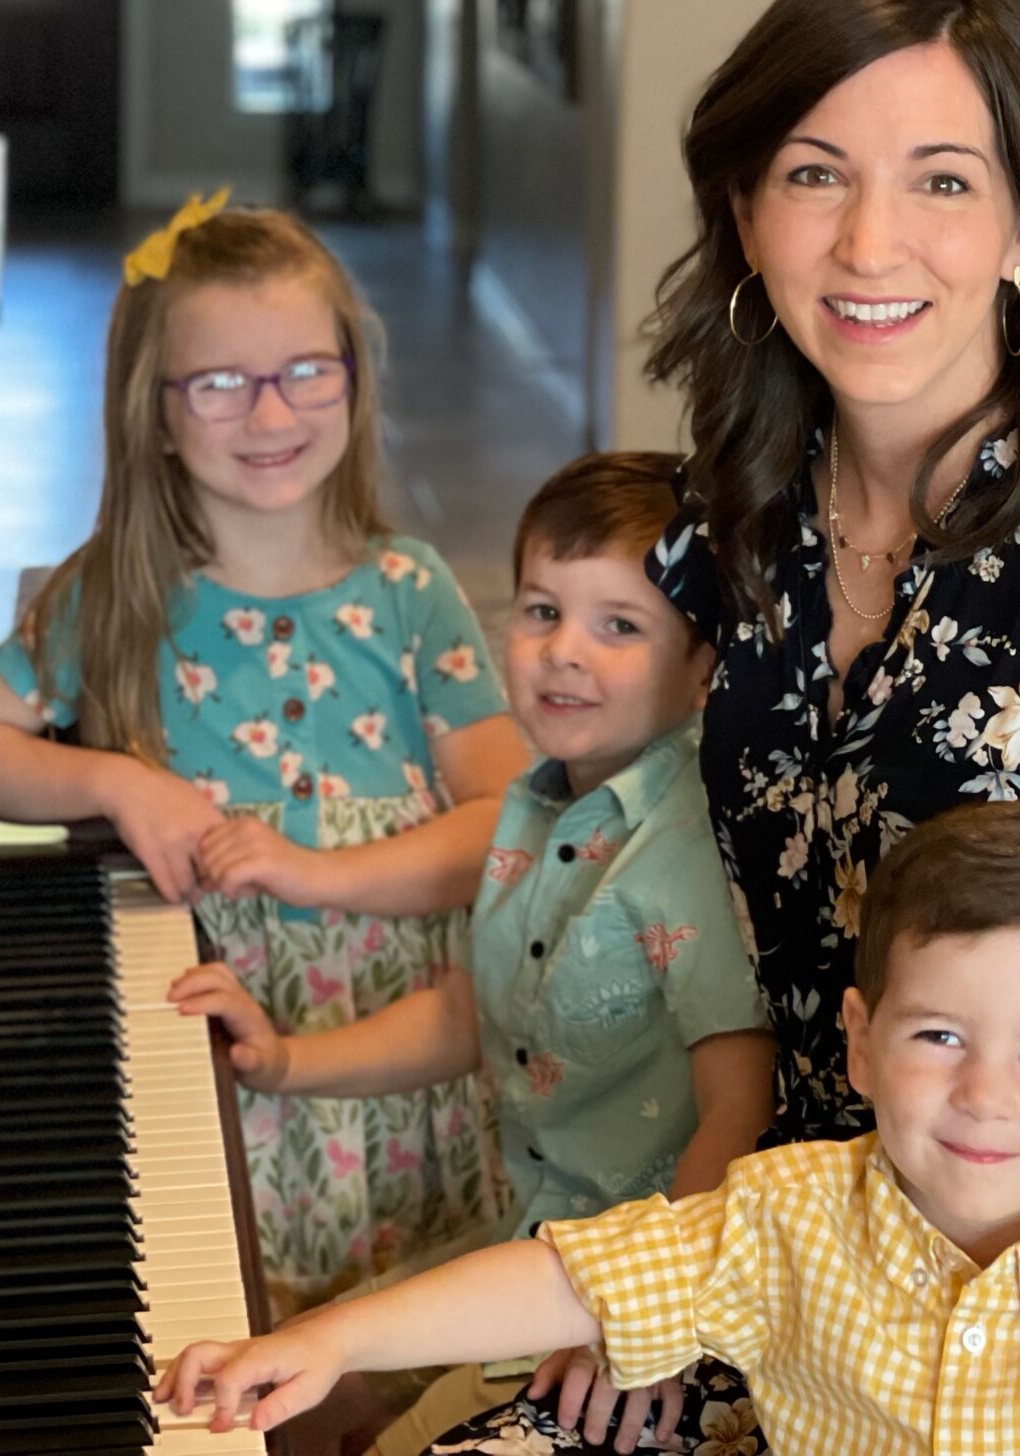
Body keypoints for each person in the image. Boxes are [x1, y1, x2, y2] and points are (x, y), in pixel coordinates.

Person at [432, 0, 1020, 1449]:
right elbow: (608, 795)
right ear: (744, 214)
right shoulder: (736, 523)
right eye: (814, 174)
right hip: (766, 1265)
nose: (869, 243)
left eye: (943, 182)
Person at [157, 804, 1020, 1456]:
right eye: (939, 1036)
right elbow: (572, 1282)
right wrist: (329, 1342)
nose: (986, 1094)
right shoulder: (787, 1217)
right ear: (856, 1040)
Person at [0, 196, 528, 1312]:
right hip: (220, 1066)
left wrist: (318, 873)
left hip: (404, 1062)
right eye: (219, 382)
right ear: (156, 412)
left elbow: (506, 821)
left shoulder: (410, 593)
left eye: (306, 371)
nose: (268, 411)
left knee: (400, 1339)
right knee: (237, 1321)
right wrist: (113, 781)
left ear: (353, 382)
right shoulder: (114, 599)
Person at [169, 453, 777, 1452]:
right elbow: (474, 1011)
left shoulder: (681, 853)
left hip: (633, 1296)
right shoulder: (534, 804)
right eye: (541, 611)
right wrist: (287, 1060)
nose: (562, 652)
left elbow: (740, 1112)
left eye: (618, 626)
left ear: (703, 663)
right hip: (528, 1242)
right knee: (288, 1393)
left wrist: (647, 1323)